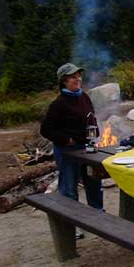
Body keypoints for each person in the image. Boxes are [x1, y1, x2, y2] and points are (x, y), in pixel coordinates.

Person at [41, 63, 103, 229]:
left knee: (93, 182)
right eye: (73, 77)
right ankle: (71, 226)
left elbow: (91, 117)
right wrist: (67, 140)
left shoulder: (84, 97)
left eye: (78, 76)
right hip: (67, 151)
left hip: (87, 147)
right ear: (64, 81)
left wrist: (94, 130)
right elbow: (46, 130)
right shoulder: (58, 104)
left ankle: (98, 220)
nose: (77, 79)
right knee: (69, 188)